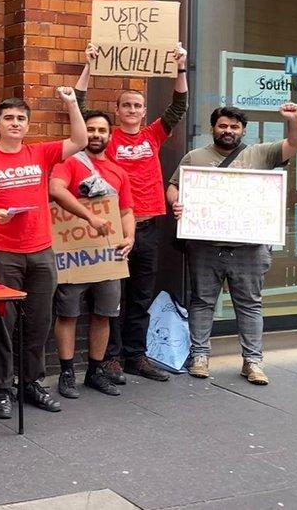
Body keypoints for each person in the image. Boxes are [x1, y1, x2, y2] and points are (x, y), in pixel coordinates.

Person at [0, 88, 87, 419]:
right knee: (3, 324)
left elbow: (80, 139)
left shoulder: (40, 153)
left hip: (41, 253)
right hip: (3, 255)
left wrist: (72, 103)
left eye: (21, 119)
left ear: (27, 125)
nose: (15, 123)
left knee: (39, 323)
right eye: (9, 118)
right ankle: (2, 388)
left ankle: (32, 383)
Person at [168, 104, 297, 385]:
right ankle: (199, 356)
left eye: (234, 127)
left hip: (250, 247)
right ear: (213, 128)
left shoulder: (261, 153)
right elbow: (173, 186)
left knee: (249, 305)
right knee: (202, 301)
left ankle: (253, 362)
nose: (228, 131)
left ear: (243, 130)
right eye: (222, 126)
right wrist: (175, 203)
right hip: (205, 246)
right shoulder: (194, 156)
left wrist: (295, 119)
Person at [74, 42, 189, 383]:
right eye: (126, 105)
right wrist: (89, 66)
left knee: (140, 296)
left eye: (137, 105)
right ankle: (110, 358)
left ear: (142, 111)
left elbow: (179, 105)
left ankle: (135, 356)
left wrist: (181, 67)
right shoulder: (106, 139)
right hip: (114, 227)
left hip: (150, 226)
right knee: (112, 298)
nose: (132, 110)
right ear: (118, 109)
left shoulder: (154, 134)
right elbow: (80, 110)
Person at [49, 111, 136, 398]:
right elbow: (56, 190)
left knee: (104, 314)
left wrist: (130, 237)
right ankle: (66, 373)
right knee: (68, 314)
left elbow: (126, 211)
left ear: (110, 136)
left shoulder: (118, 172)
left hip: (107, 257)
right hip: (73, 257)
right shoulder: (68, 163)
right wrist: (90, 218)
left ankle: (95, 372)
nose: (96, 135)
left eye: (102, 130)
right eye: (91, 130)